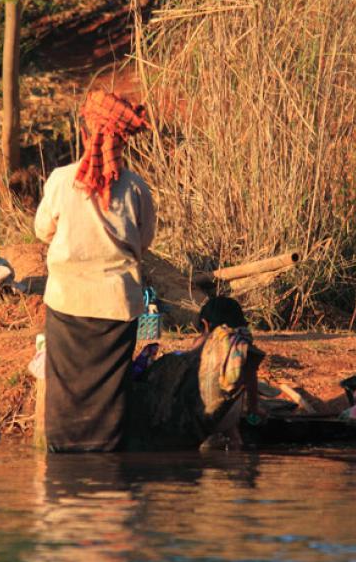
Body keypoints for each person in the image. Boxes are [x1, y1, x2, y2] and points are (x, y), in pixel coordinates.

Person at [34, 90, 155, 452]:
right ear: (122, 141)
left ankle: (63, 450)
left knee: (66, 384)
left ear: (86, 135)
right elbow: (144, 240)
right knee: (109, 386)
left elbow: (43, 230)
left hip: (66, 301)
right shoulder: (136, 188)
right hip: (117, 306)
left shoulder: (60, 180)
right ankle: (106, 451)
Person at [123, 297, 265, 451]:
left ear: (204, 324)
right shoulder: (238, 347)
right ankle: (232, 437)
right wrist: (254, 411)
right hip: (217, 418)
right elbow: (250, 380)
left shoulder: (193, 350)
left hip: (186, 419)